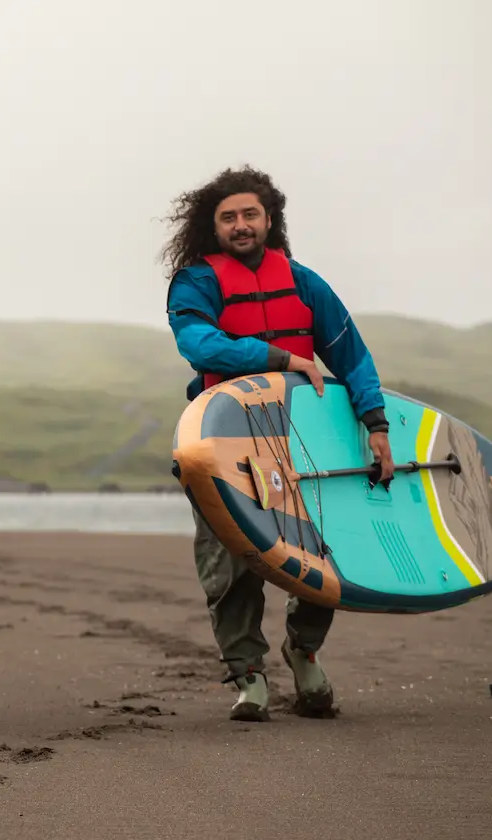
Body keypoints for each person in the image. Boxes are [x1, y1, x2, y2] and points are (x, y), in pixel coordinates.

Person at [161, 167, 393, 722]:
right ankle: (249, 677)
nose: (241, 225)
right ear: (211, 226)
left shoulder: (306, 283)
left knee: (318, 553)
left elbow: (352, 357)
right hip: (223, 444)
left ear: (270, 219)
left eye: (250, 214)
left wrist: (376, 425)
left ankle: (304, 651)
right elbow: (199, 344)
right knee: (231, 567)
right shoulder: (195, 283)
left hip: (304, 444)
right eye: (228, 217)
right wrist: (279, 358)